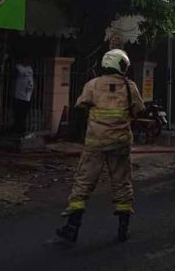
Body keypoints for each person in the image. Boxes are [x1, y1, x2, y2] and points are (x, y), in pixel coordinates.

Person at [57, 49, 145, 243]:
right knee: (122, 183)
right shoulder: (130, 87)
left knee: (83, 183)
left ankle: (72, 228)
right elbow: (139, 109)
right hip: (120, 143)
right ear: (121, 66)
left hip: (95, 143)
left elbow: (81, 106)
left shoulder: (93, 85)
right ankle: (123, 228)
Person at [12, 57, 34, 136]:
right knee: (19, 114)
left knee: (23, 114)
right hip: (19, 95)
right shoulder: (19, 68)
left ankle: (21, 129)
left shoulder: (29, 69)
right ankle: (18, 130)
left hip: (27, 95)